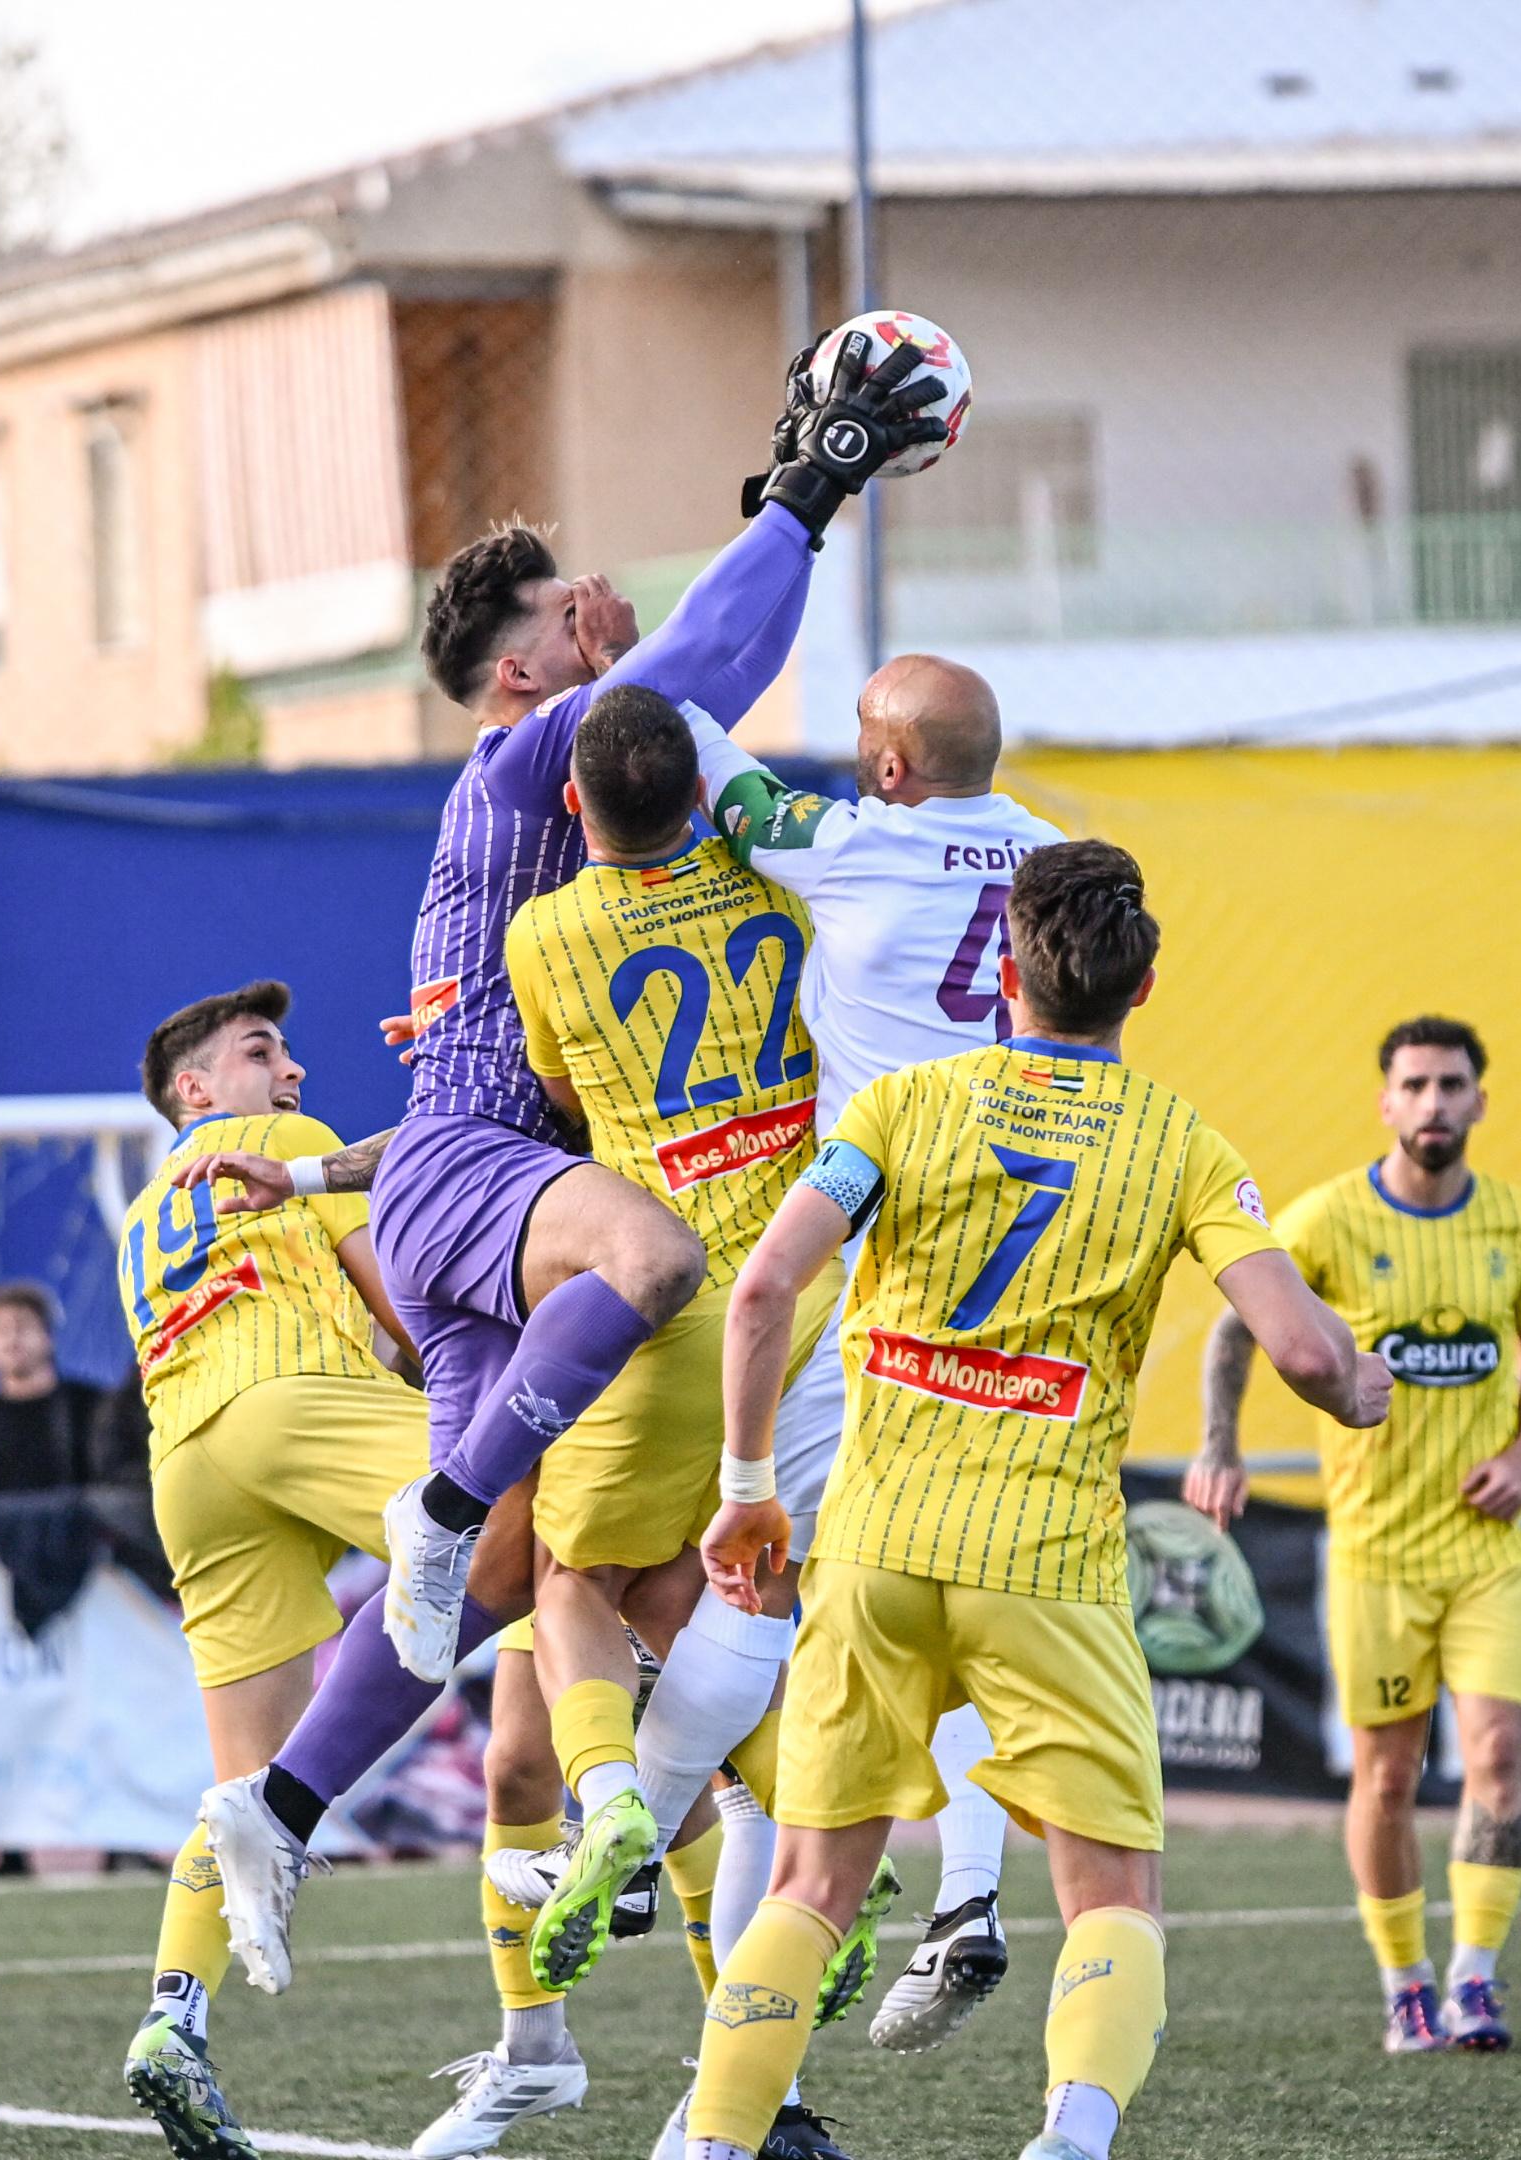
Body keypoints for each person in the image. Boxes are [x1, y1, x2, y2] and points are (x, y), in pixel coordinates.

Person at [180, 332, 947, 2003]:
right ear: (525, 676)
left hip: (465, 1187)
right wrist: (813, 490)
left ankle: (281, 1804)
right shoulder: (528, 763)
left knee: (528, 1576)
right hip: (485, 1179)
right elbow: (696, 674)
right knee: (652, 1275)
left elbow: (701, 683)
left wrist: (777, 508)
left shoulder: (566, 831)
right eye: (561, 604)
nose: (596, 595)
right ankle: (449, 1519)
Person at [673, 840, 1387, 2160]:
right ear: (1146, 985)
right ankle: (1068, 2140)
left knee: (815, 1882)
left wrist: (747, 1490)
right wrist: (1361, 1388)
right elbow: (1300, 1349)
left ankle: (708, 2144)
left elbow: (767, 1287)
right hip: (1045, 1564)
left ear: (1006, 970)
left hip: (877, 1548)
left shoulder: (896, 1109)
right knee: (1111, 1891)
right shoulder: (1184, 1143)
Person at [443, 688, 865, 2160]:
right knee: (728, 1604)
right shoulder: (768, 877)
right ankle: (801, 1893)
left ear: (573, 812)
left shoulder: (546, 932)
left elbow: (561, 1097)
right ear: (701, 791)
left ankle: (612, 1803)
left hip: (669, 1302)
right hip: (812, 1290)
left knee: (573, 1584)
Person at [684, 649, 1067, 2054]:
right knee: (968, 1589)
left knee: (803, 1588)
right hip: (1034, 1261)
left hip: (884, 1255)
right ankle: (967, 1897)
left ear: (892, 765)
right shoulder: (1052, 854)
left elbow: (709, 771)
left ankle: (676, 1825)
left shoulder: (851, 847)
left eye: (860, 739)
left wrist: (632, 666)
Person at [1190, 1017, 1521, 2054]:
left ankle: (1476, 1979)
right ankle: (1406, 1984)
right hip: (1375, 1553)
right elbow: (1235, 1325)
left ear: (1480, 1101)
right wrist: (1219, 1443)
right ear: (1386, 1103)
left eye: (1454, 1085)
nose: (1436, 1103)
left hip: (1492, 1548)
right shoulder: (1325, 1222)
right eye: (1416, 1085)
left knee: (1496, 1756)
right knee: (1388, 1777)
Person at [110, 980, 434, 2160]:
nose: (291, 1072)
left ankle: (172, 2020)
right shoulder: (289, 1148)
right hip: (293, 1399)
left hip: (188, 1465)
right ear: (194, 1091)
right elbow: (392, 1299)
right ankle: (679, 1779)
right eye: (261, 1052)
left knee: (245, 1787)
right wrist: (447, 1386)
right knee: (549, 1518)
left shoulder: (143, 1214)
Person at [0, 1282, 115, 1502]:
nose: (12, 1339)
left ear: (48, 1335)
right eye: (0, 1330)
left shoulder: (91, 1407)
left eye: (23, 1326)